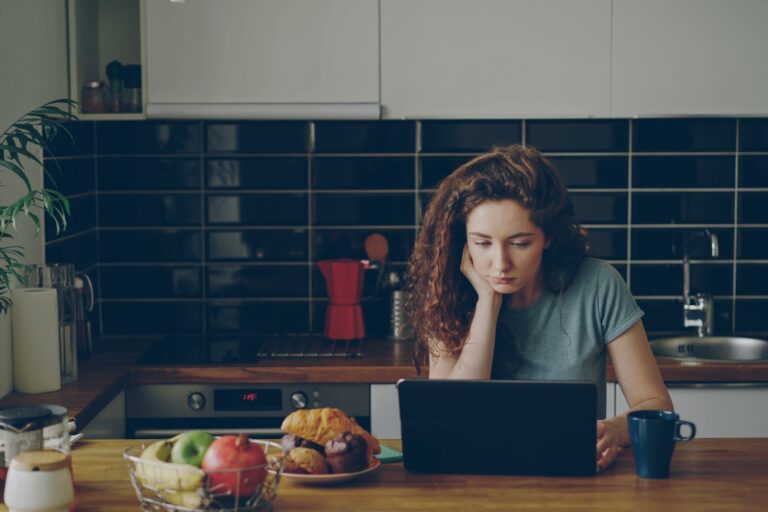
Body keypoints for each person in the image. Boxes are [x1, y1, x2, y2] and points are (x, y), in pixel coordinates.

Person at [405, 144, 673, 472]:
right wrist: (487, 302)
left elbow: (655, 403)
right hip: (474, 483)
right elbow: (449, 420)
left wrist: (614, 430)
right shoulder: (447, 292)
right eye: (482, 243)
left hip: (573, 480)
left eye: (520, 243)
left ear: (548, 236)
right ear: (463, 240)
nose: (500, 263)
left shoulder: (598, 285)